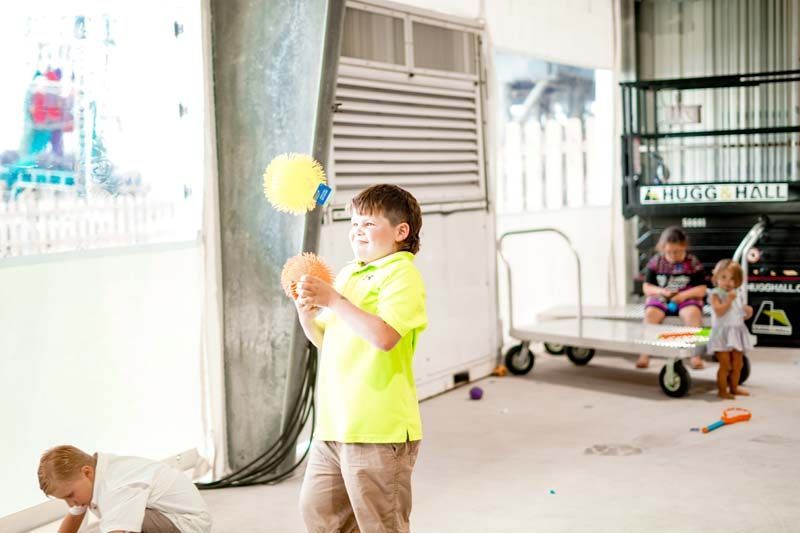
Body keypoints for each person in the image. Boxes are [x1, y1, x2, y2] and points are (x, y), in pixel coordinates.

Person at [295, 184, 427, 532]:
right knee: (319, 515)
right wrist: (307, 315)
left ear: (401, 231)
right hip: (333, 426)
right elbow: (328, 342)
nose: (357, 230)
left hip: (378, 430)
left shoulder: (402, 274)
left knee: (380, 525)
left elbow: (385, 337)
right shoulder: (349, 274)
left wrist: (334, 301)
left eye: (368, 223)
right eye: (354, 223)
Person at [38, 445, 211, 533]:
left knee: (118, 522)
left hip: (186, 524)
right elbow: (74, 517)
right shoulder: (96, 473)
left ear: (87, 472)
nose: (70, 503)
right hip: (172, 514)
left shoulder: (114, 489)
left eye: (70, 495)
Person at [637, 226, 708, 369]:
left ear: (684, 247)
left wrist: (683, 295)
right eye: (669, 252)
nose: (673, 255)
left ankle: (695, 355)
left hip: (686, 298)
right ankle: (644, 354)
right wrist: (662, 291)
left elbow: (702, 289)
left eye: (677, 252)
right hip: (662, 297)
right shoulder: (656, 262)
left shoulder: (693, 263)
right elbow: (647, 287)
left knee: (693, 314)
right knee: (650, 314)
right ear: (663, 248)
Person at [707, 259, 754, 399]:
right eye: (723, 277)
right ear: (716, 278)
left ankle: (734, 388)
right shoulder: (716, 294)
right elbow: (719, 311)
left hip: (736, 331)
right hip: (722, 333)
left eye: (732, 278)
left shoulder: (736, 293)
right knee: (725, 365)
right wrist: (728, 300)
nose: (728, 282)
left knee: (738, 364)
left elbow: (737, 314)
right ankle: (722, 390)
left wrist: (746, 312)